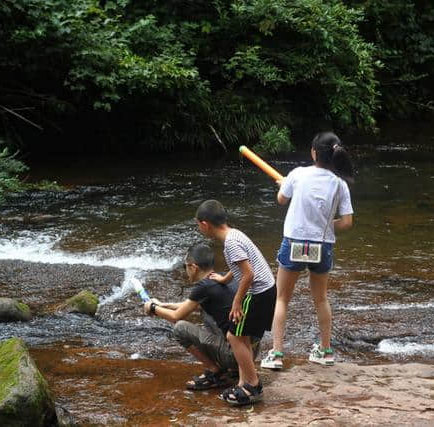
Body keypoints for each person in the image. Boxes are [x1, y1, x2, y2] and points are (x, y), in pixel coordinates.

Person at [261, 131, 354, 370]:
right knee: (321, 299)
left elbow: (281, 199)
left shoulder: (298, 174)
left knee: (282, 298)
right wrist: (323, 224)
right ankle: (325, 350)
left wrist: (284, 185)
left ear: (314, 152)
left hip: (295, 243)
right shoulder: (340, 184)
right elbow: (346, 222)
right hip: (322, 246)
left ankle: (276, 354)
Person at [143, 243, 260, 390]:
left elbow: (175, 317)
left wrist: (153, 308)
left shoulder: (203, 287)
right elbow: (194, 305)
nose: (185, 270)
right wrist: (163, 305)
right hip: (251, 351)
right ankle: (236, 369)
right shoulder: (223, 279)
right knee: (206, 310)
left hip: (234, 355)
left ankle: (215, 372)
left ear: (193, 267)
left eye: (184, 266)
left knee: (180, 328)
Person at [195, 199, 276, 406]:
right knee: (242, 336)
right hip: (267, 289)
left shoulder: (230, 243)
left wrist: (237, 302)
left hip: (257, 292)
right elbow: (240, 265)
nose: (199, 228)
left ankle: (253, 386)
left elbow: (248, 274)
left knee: (233, 336)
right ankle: (244, 381)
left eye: (198, 225)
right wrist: (224, 279)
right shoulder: (234, 234)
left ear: (205, 224)